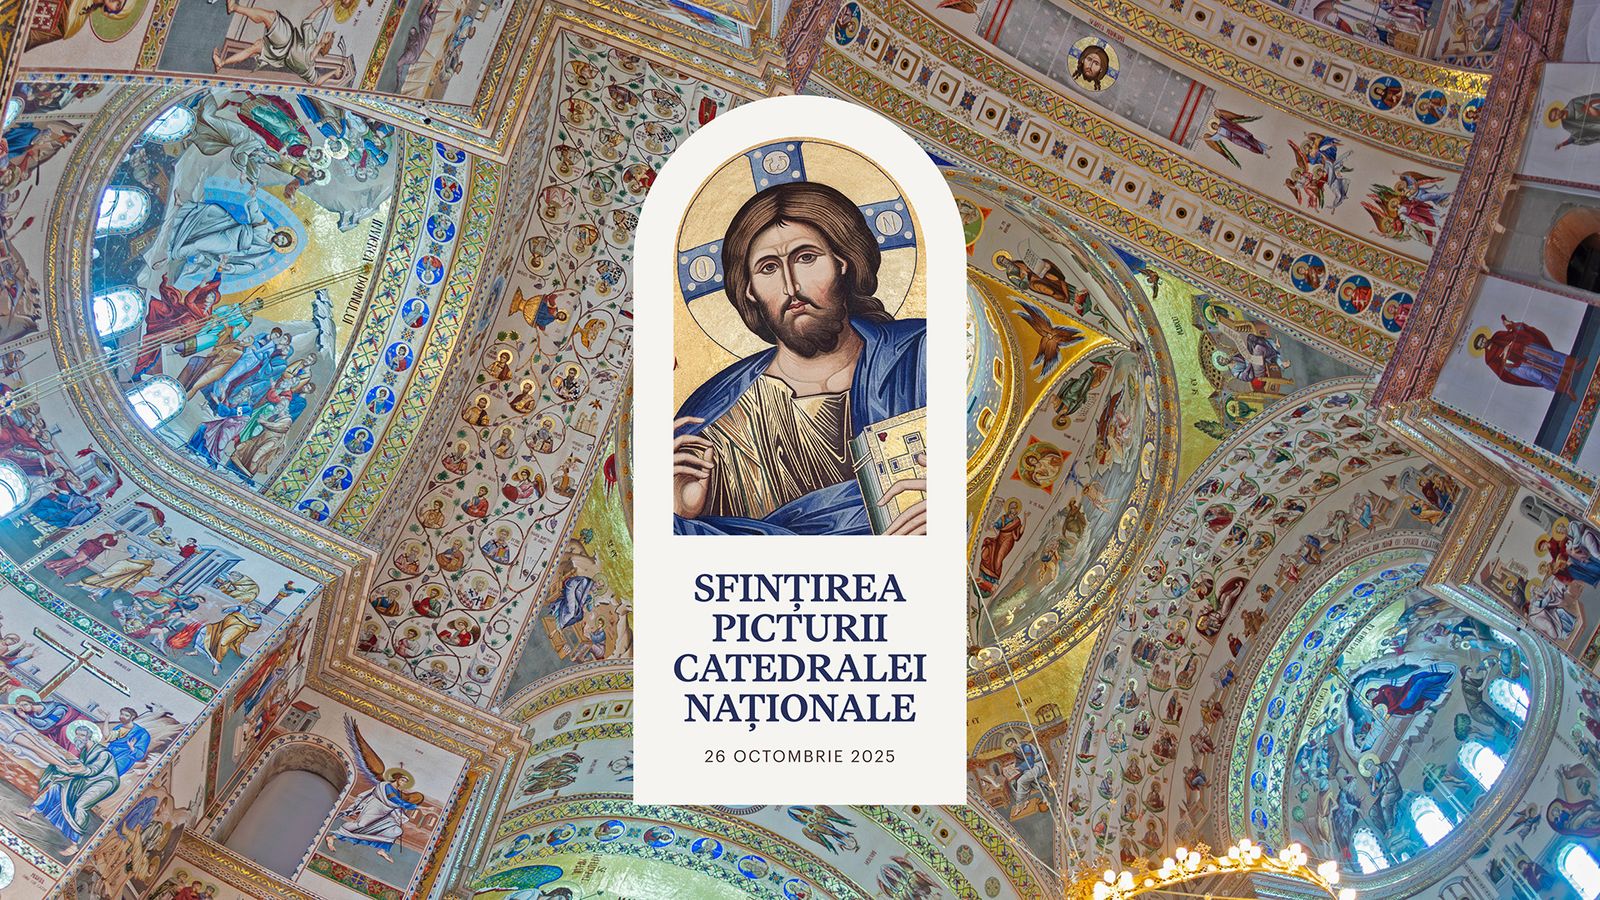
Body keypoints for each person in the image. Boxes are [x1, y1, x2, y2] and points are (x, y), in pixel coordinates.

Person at [672, 181, 926, 535]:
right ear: (749, 289)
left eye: (806, 258)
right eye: (768, 268)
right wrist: (683, 516)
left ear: (843, 262)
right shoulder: (714, 421)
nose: (791, 286)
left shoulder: (918, 357)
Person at [329, 716, 422, 862]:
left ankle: (383, 849)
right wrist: (412, 805)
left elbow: (398, 802)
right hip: (376, 807)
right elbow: (394, 800)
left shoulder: (399, 793)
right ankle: (333, 837)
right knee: (360, 825)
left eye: (406, 781)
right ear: (397, 778)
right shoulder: (386, 786)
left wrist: (408, 804)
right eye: (403, 780)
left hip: (387, 812)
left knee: (396, 830)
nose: (404, 783)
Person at [23, 722, 122, 853]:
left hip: (104, 783)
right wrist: (67, 769)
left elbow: (92, 770)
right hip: (88, 779)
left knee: (80, 806)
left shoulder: (103, 753)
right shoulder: (85, 751)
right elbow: (83, 767)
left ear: (89, 737)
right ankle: (30, 813)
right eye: (77, 735)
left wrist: (71, 770)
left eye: (82, 735)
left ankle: (74, 844)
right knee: (58, 786)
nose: (78, 738)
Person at [213, 0, 350, 87]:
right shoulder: (312, 40)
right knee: (254, 47)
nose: (327, 34)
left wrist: (333, 72)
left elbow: (317, 82)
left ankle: (235, 7)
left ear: (326, 44)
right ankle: (222, 63)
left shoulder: (310, 68)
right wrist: (323, 7)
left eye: (329, 36)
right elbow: (307, 21)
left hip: (286, 41)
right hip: (279, 54)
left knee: (269, 17)